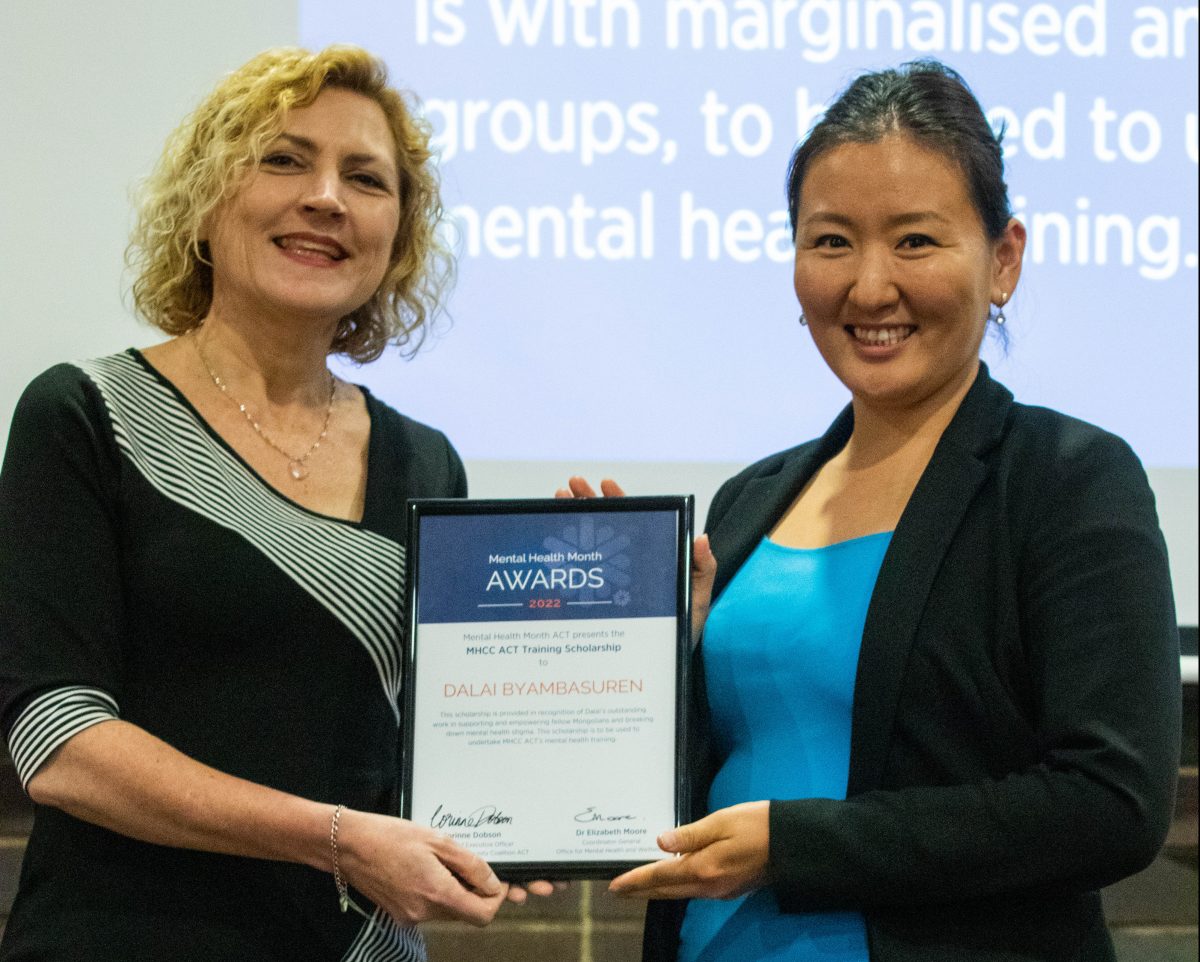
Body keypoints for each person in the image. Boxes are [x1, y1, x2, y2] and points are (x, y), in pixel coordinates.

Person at [567, 61, 1181, 961]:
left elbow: (1111, 805)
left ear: (1003, 257)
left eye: (916, 241)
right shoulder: (748, 501)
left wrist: (795, 846)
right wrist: (625, 657)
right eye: (830, 242)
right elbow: (700, 776)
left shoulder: (1067, 479)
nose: (868, 287)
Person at [0, 45, 551, 961]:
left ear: (395, 240)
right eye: (285, 159)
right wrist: (338, 838)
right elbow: (58, 741)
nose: (327, 197)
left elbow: (445, 740)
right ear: (205, 208)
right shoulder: (85, 415)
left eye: (366, 178)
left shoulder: (426, 462)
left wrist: (642, 627)